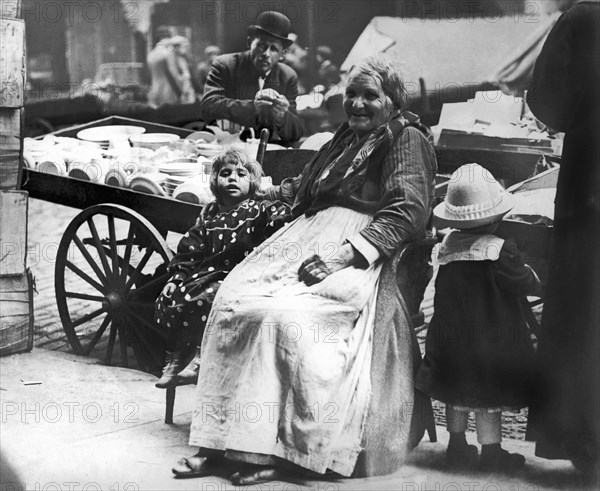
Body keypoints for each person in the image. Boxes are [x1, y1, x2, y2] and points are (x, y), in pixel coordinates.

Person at [172, 55, 437, 484]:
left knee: (285, 319)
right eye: (352, 94)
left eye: (371, 95)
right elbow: (309, 183)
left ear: (392, 100)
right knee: (234, 303)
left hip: (358, 253)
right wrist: (267, 189)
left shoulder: (406, 139)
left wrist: (343, 255)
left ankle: (278, 451)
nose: (358, 104)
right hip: (305, 241)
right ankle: (219, 442)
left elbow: (409, 209)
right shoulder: (345, 136)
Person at [416, 164, 542, 472]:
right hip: (490, 343)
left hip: (451, 339)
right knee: (487, 398)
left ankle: (457, 446)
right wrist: (533, 276)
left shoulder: (446, 246)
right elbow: (524, 283)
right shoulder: (501, 251)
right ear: (497, 215)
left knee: (456, 391)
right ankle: (492, 452)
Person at [525, 0, 600, 474]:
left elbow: (546, 102)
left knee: (584, 306)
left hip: (591, 182)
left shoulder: (582, 17)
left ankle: (585, 443)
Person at [154, 149, 291, 388]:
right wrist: (175, 279)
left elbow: (278, 219)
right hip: (206, 274)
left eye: (241, 174)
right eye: (225, 173)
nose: (232, 178)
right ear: (215, 180)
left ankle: (200, 356)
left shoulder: (259, 210)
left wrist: (285, 212)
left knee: (209, 298)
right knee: (176, 296)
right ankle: (175, 357)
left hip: (240, 275)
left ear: (253, 182)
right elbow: (189, 250)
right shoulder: (209, 216)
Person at [200, 11, 303, 145]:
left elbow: (297, 132)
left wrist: (282, 116)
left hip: (265, 151)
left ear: (282, 54)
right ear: (249, 43)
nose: (266, 54)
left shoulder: (288, 75)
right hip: (224, 146)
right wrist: (254, 107)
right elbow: (208, 107)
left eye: (274, 49)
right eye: (262, 45)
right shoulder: (225, 65)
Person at [147, 34, 185, 108]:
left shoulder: (150, 54)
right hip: (168, 91)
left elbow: (150, 74)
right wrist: (180, 91)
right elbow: (173, 74)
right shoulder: (168, 54)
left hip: (155, 89)